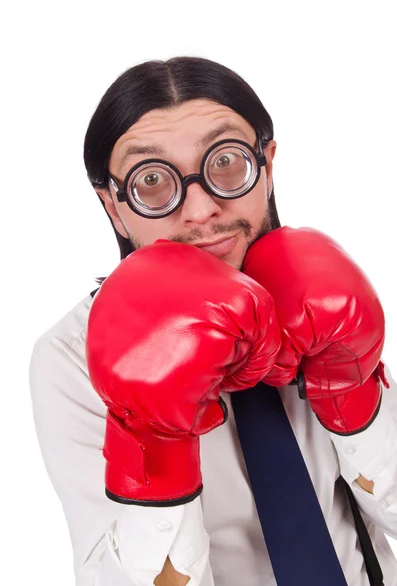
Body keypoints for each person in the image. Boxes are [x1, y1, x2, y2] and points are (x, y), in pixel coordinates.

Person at [29, 56, 397, 586]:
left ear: (266, 166)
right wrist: (153, 436)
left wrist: (352, 391)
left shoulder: (332, 299)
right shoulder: (70, 357)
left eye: (226, 162)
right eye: (151, 178)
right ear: (113, 207)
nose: (200, 209)